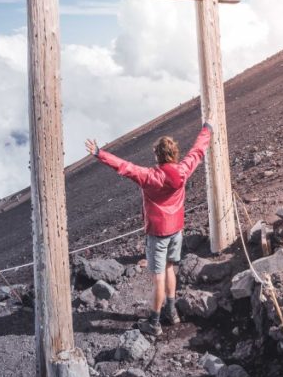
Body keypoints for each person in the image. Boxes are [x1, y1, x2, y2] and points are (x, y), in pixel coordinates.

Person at [85, 118, 213, 336]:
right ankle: (171, 313)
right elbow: (198, 150)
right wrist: (207, 128)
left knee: (158, 279)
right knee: (170, 268)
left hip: (157, 234)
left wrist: (99, 152)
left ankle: (154, 323)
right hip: (176, 230)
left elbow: (124, 167)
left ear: (157, 155)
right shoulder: (182, 171)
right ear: (174, 154)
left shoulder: (148, 177)